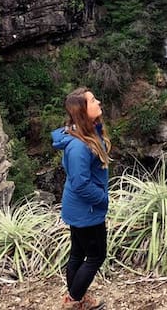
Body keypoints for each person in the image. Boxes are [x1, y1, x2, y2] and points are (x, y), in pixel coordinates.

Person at [52, 87, 111, 310]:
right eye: (93, 100)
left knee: (78, 253)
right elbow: (81, 183)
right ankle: (74, 301)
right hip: (87, 210)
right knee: (96, 257)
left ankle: (77, 296)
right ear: (82, 111)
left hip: (78, 208)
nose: (98, 102)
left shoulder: (85, 133)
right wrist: (102, 199)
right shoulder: (79, 145)